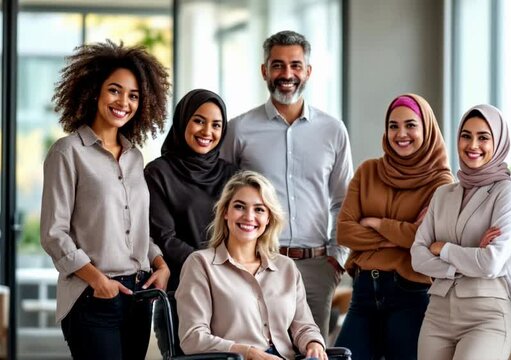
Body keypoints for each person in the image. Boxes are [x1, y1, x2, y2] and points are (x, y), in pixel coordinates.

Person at [40, 40, 171, 359]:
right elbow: (54, 233)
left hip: (138, 296)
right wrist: (97, 280)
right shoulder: (68, 152)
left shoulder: (135, 157)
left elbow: (136, 227)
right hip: (92, 296)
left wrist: (159, 262)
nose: (123, 101)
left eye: (134, 95)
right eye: (115, 90)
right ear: (94, 91)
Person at [220, 30, 353, 340]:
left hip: (317, 266)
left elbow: (343, 200)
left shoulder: (333, 130)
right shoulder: (239, 130)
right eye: (278, 65)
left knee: (310, 350)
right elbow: (222, 199)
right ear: (264, 70)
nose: (287, 74)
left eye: (295, 65)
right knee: (259, 349)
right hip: (257, 262)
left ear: (308, 71)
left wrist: (336, 259)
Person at [333, 94, 452, 359]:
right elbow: (344, 231)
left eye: (411, 125)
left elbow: (423, 237)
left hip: (410, 293)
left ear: (427, 128)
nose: (401, 134)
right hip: (364, 292)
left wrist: (377, 223)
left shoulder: (441, 182)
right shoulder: (368, 171)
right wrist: (397, 237)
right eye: (393, 126)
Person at [175, 170, 327, 360]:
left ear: (269, 218)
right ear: (225, 212)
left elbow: (304, 327)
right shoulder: (200, 264)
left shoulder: (286, 267)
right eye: (239, 207)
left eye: (259, 209)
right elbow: (193, 338)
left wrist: (313, 343)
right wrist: (248, 353)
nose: (249, 216)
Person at [410, 104, 511, 360]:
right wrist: (467, 259)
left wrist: (443, 249)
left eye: (483, 137)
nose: (473, 145)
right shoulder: (443, 193)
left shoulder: (507, 193)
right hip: (437, 312)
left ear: (499, 142)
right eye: (466, 135)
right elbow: (417, 257)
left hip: (487, 315)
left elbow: (491, 263)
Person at [145, 89, 238, 291]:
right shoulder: (158, 173)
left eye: (216, 125)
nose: (207, 132)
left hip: (229, 282)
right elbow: (164, 237)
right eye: (199, 121)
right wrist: (209, 266)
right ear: (183, 120)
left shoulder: (232, 175)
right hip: (183, 282)